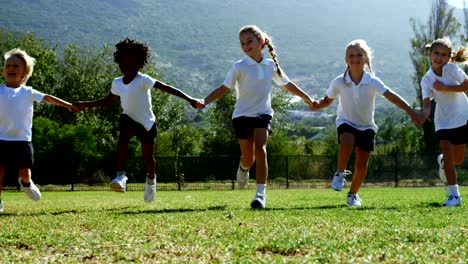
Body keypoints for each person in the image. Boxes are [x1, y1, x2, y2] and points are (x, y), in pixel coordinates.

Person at [74, 38, 202, 203]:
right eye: (122, 64)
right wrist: (84, 104)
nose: (125, 68)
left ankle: (151, 180)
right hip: (128, 121)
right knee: (123, 136)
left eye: (129, 64)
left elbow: (167, 88)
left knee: (147, 157)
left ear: (138, 64)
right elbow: (108, 101)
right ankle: (120, 177)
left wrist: (190, 99)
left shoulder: (143, 80)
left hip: (147, 125)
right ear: (119, 62)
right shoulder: (117, 83)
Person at [201, 25, 314, 209]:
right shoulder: (239, 67)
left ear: (261, 42)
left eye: (249, 41)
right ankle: (244, 168)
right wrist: (204, 101)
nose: (245, 46)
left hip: (263, 115)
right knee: (248, 158)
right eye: (242, 43)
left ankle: (260, 195)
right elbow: (223, 88)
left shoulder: (271, 65)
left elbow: (287, 85)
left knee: (261, 148)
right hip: (241, 116)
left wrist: (306, 97)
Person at [309, 39, 420, 206]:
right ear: (346, 60)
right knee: (347, 142)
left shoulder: (372, 81)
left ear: (366, 59)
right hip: (346, 121)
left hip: (367, 126)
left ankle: (353, 194)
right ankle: (340, 173)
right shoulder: (339, 81)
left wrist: (411, 111)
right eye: (351, 55)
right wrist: (316, 105)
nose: (355, 58)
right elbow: (327, 100)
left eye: (359, 55)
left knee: (361, 164)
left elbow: (391, 96)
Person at [0, 48, 78, 213]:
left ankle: (26, 183)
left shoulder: (28, 92)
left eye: (16, 66)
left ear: (24, 73)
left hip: (21, 141)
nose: (11, 68)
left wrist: (68, 105)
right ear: (3, 69)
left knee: (24, 172)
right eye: (8, 65)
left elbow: (48, 98)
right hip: (1, 140)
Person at [418, 37, 468, 206]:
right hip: (443, 122)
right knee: (447, 152)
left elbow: (467, 85)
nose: (439, 57)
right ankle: (454, 195)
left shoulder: (452, 70)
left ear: (449, 57)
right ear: (429, 54)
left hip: (462, 117)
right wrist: (423, 115)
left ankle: (443, 162)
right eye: (436, 53)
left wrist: (445, 87)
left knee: (458, 159)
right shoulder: (426, 79)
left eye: (444, 54)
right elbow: (426, 103)